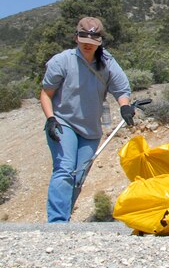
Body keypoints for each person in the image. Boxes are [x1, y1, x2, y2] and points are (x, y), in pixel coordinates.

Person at [40, 16, 133, 222]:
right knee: (64, 168)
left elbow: (121, 88)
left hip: (90, 129)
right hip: (63, 122)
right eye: (84, 42)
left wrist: (125, 107)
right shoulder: (62, 61)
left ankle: (64, 217)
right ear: (76, 38)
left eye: (92, 43)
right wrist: (51, 119)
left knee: (78, 176)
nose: (88, 46)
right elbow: (46, 93)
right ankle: (56, 223)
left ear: (99, 41)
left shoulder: (107, 62)